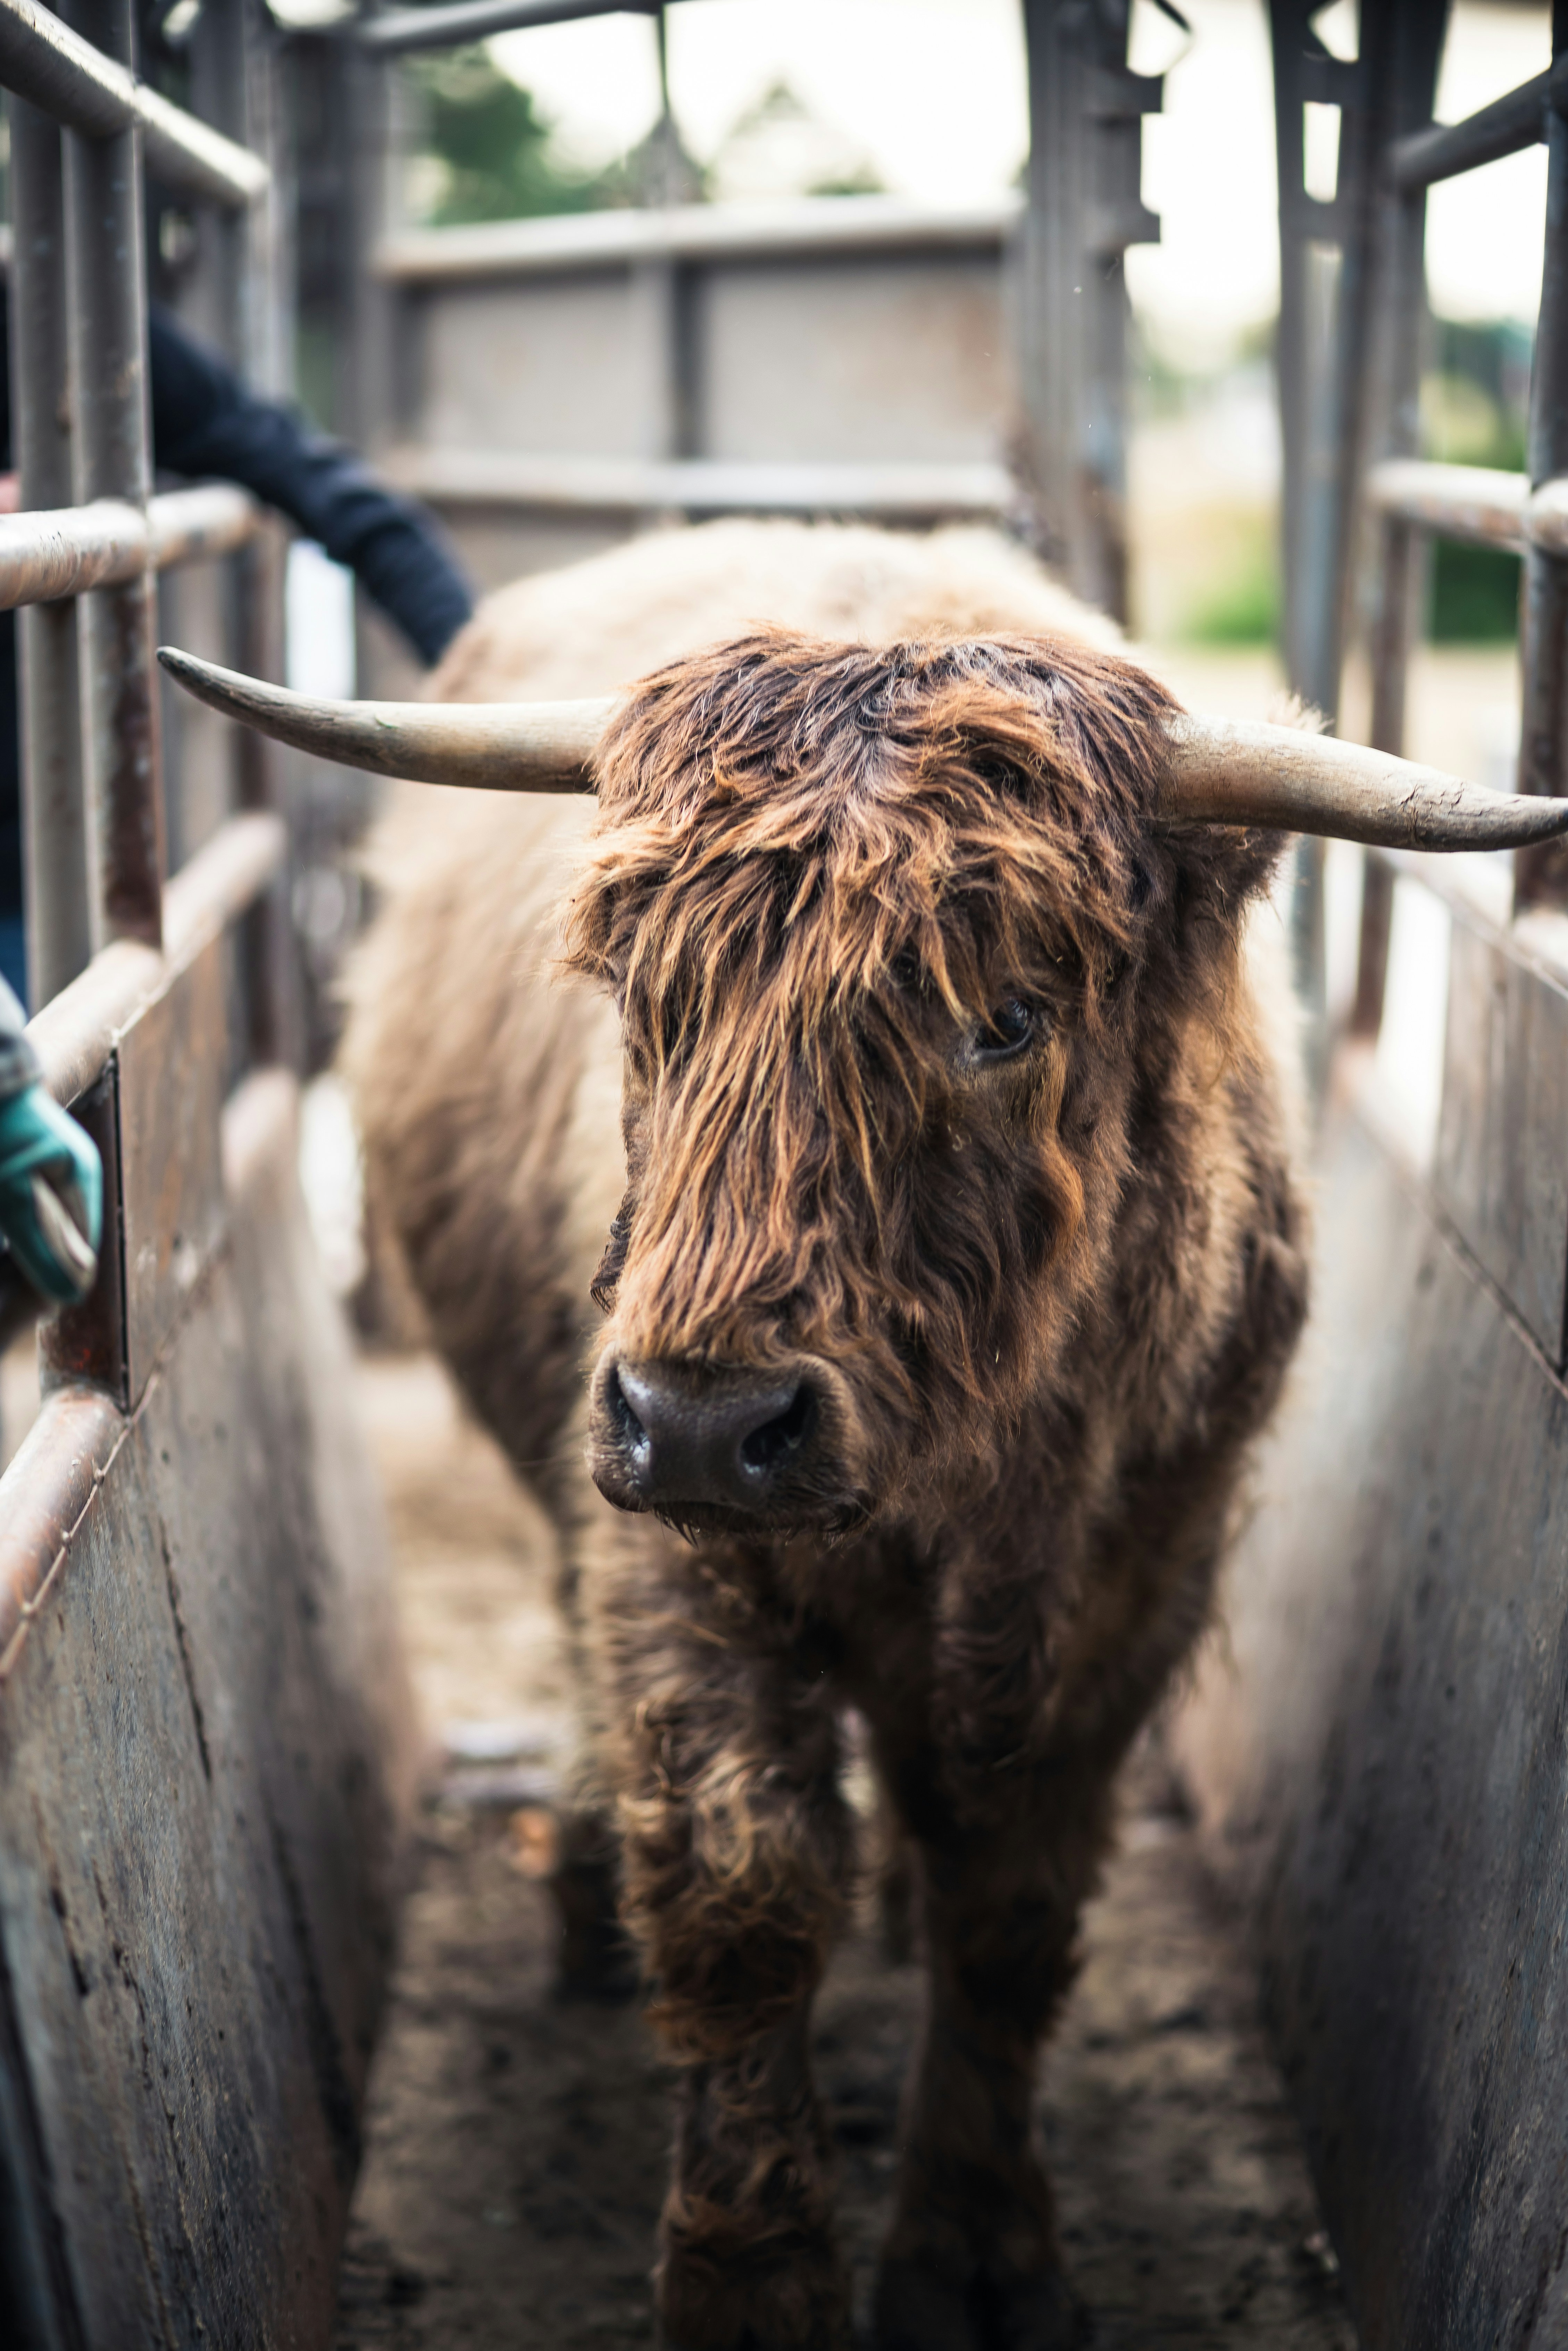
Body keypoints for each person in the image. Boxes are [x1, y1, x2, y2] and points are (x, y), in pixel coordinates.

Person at [0, 292, 476, 1003]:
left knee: (54, 1057)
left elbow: (315, 480)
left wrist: (485, 664)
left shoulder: (58, 318)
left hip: (32, 858)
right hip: (37, 850)